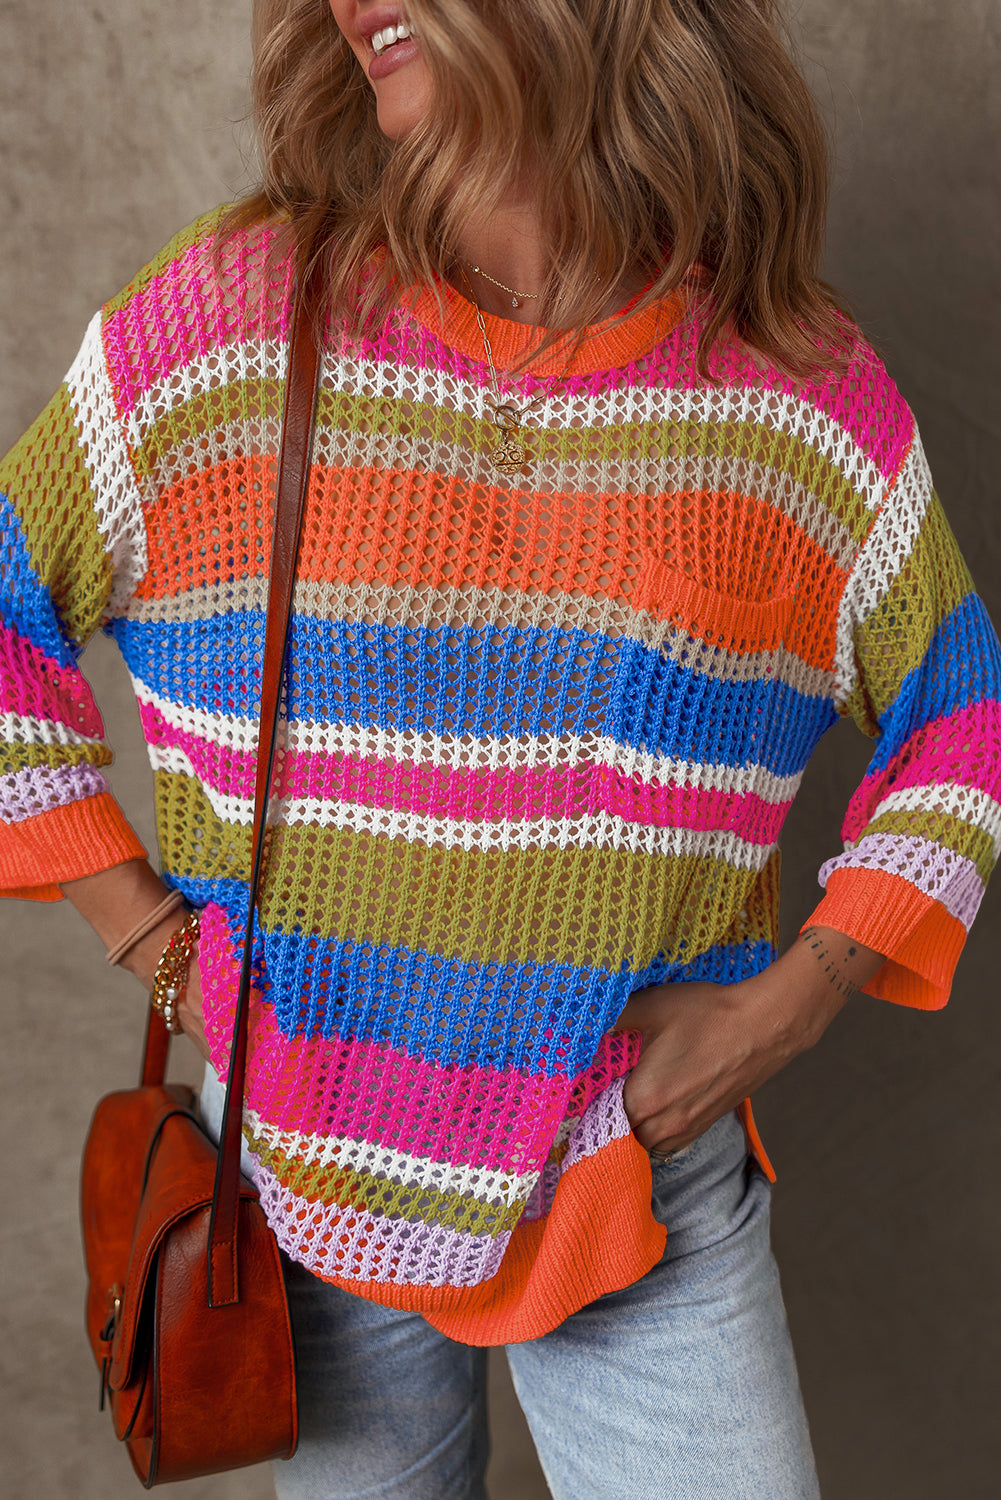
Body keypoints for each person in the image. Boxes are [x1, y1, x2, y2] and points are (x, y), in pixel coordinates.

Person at [2, 1, 999, 1496]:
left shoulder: (788, 391)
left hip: (635, 1178)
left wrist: (785, 1010)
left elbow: (962, 723)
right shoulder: (230, 324)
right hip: (304, 1167)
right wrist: (153, 942)